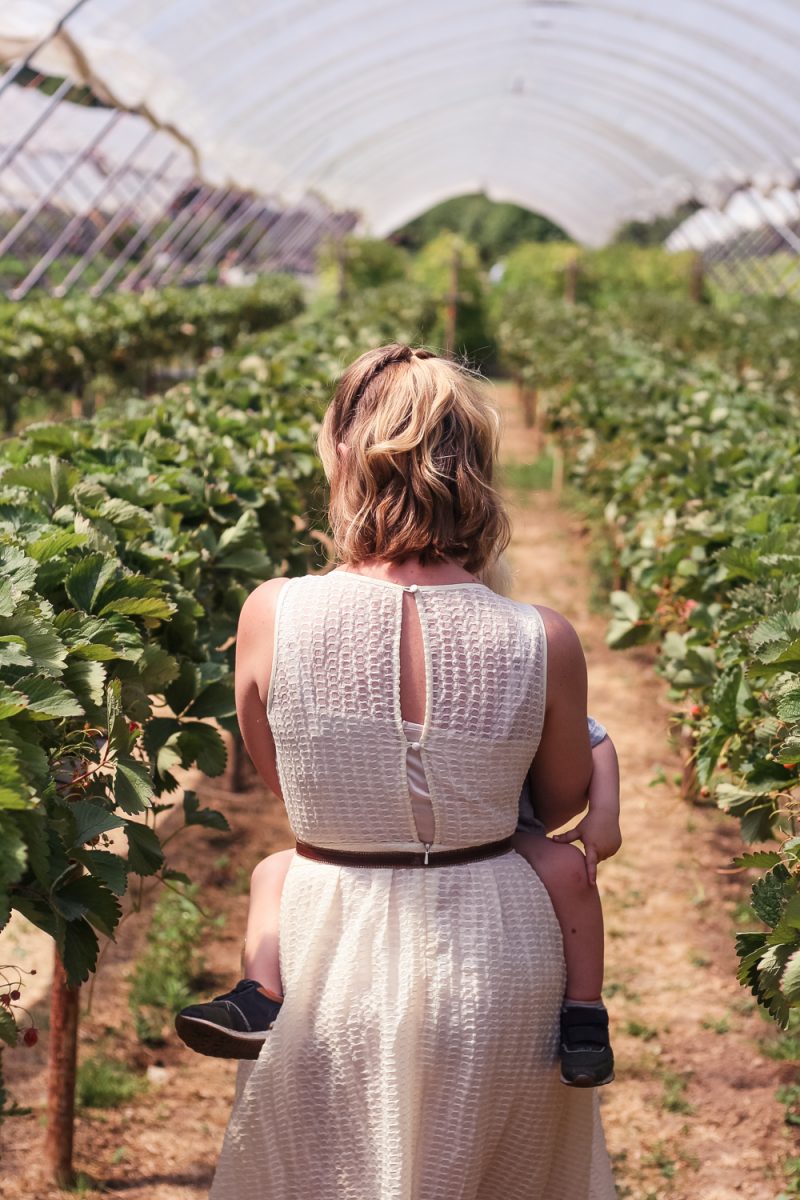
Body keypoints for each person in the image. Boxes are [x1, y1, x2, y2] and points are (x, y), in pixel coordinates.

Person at [204, 344, 619, 1198]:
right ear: (475, 470)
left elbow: (287, 782)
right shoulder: (541, 638)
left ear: (347, 458)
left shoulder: (272, 614)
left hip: (327, 939)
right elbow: (563, 801)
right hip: (498, 948)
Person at [176, 713, 620, 1086]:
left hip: (498, 834)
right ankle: (259, 998)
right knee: (270, 871)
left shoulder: (499, 671)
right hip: (375, 838)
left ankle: (585, 1015)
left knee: (569, 871)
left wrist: (604, 812)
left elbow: (596, 741)